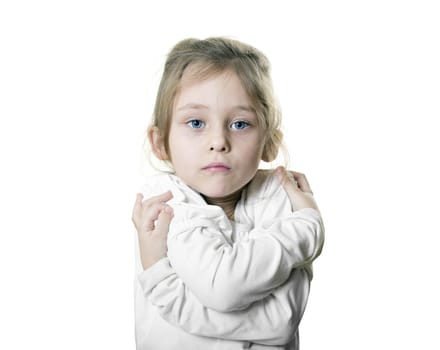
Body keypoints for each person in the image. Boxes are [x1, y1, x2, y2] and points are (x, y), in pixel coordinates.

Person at [131, 37, 325, 350]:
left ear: (270, 142)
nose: (218, 141)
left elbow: (283, 319)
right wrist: (307, 226)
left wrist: (170, 291)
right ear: (160, 142)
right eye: (196, 122)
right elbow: (224, 288)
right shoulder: (164, 204)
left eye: (239, 124)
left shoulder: (282, 194)